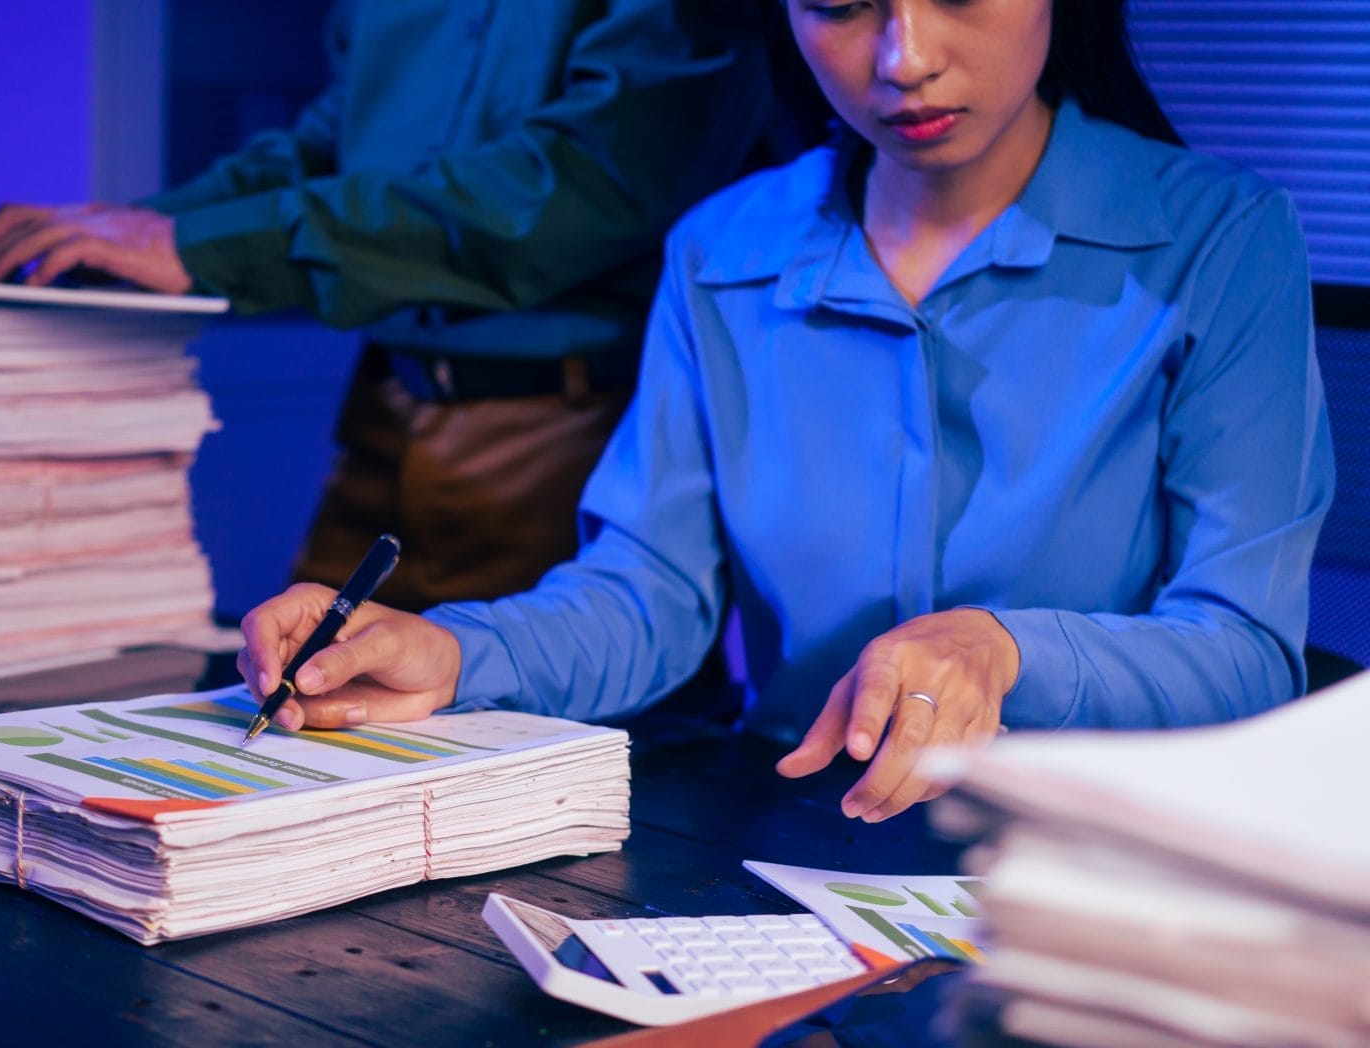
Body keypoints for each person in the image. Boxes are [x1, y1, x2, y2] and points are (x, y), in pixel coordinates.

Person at [234, 0, 1336, 822]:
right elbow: (649, 596)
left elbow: (1243, 648)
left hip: (1095, 853)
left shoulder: (1222, 237)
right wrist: (454, 651)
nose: (905, 57)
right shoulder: (723, 247)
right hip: (795, 834)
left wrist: (1007, 651)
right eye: (842, 4)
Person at [0, 0, 774, 610]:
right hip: (386, 405)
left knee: (524, 768)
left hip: (565, 431)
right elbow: (323, 147)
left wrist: (209, 247)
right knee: (285, 717)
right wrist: (141, 230)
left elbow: (567, 192)